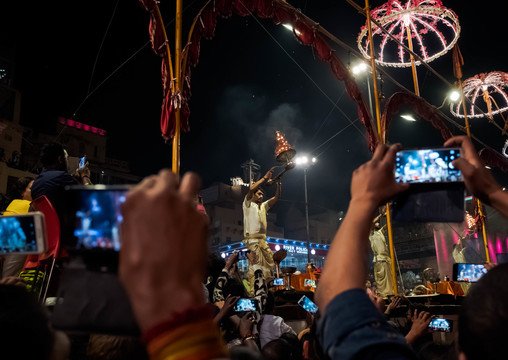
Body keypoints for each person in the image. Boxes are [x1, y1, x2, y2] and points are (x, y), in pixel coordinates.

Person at [315, 135, 508, 360]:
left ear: (461, 346)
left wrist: (362, 200)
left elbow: (330, 295)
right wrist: (493, 193)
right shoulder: (375, 236)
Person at [30, 142, 92, 221]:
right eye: (66, 159)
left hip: (47, 229)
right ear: (60, 159)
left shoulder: (36, 182)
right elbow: (91, 198)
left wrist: (75, 180)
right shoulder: (63, 178)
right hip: (64, 231)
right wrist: (84, 175)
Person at [243, 169, 281, 294]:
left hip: (263, 241)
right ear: (253, 195)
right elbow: (251, 189)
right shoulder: (247, 203)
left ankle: (269, 293)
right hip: (253, 241)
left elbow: (276, 198)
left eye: (261, 194)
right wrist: (264, 178)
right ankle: (255, 293)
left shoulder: (263, 206)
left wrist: (278, 184)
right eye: (258, 194)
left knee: (268, 268)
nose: (260, 195)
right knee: (256, 268)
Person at [1, 177, 35, 278]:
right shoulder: (29, 204)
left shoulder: (13, 203)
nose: (35, 190)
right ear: (22, 192)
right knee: (9, 280)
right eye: (31, 188)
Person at [368, 211, 394, 298]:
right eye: (376, 223)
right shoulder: (370, 233)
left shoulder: (379, 232)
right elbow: (370, 223)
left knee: (389, 278)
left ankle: (390, 293)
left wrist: (388, 214)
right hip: (379, 259)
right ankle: (384, 295)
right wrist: (380, 215)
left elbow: (387, 226)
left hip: (386, 258)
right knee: (382, 279)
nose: (378, 223)